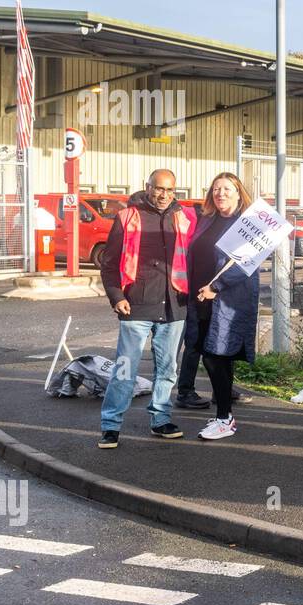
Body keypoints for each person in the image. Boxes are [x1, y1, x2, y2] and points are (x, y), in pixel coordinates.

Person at [96, 169, 195, 449]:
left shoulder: (185, 218)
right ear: (147, 187)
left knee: (167, 370)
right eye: (158, 188)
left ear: (176, 191)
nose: (163, 195)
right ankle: (111, 425)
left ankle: (160, 419)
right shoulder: (128, 217)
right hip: (135, 307)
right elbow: (110, 262)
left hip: (175, 307)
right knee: (125, 370)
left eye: (170, 190)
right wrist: (116, 296)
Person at [185, 173, 259, 440]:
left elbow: (246, 264)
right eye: (216, 189)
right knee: (212, 354)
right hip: (201, 298)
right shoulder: (207, 219)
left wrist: (216, 287)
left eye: (227, 189)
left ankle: (224, 418)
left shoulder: (248, 224)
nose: (221, 193)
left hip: (228, 299)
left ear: (239, 193)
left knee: (217, 356)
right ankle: (224, 416)